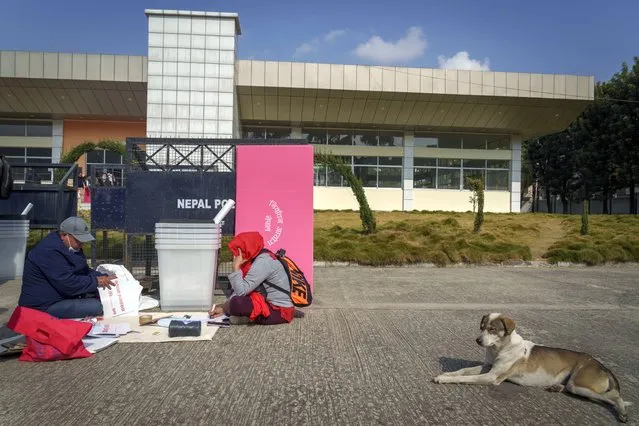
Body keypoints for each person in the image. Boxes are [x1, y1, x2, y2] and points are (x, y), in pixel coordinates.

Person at [18, 216, 115, 319]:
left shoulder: (70, 246)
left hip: (60, 296)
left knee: (100, 295)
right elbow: (68, 284)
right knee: (96, 306)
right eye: (79, 241)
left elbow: (83, 270)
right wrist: (96, 281)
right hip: (42, 306)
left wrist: (104, 276)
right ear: (64, 235)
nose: (81, 245)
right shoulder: (49, 252)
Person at [209, 231, 295, 325]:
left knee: (236, 303)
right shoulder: (257, 257)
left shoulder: (263, 262)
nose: (236, 255)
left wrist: (236, 267)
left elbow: (241, 292)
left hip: (278, 310)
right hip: (266, 302)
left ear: (248, 248)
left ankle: (248, 319)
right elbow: (240, 290)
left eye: (239, 250)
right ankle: (246, 317)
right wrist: (224, 307)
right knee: (235, 302)